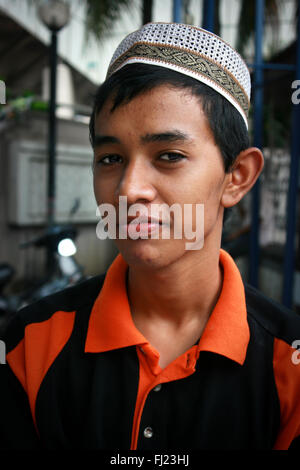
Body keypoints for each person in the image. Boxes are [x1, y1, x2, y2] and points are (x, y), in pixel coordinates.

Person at [1, 21, 300, 451]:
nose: (127, 189)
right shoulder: (30, 345)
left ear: (237, 177)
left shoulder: (287, 364)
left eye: (169, 156)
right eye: (110, 158)